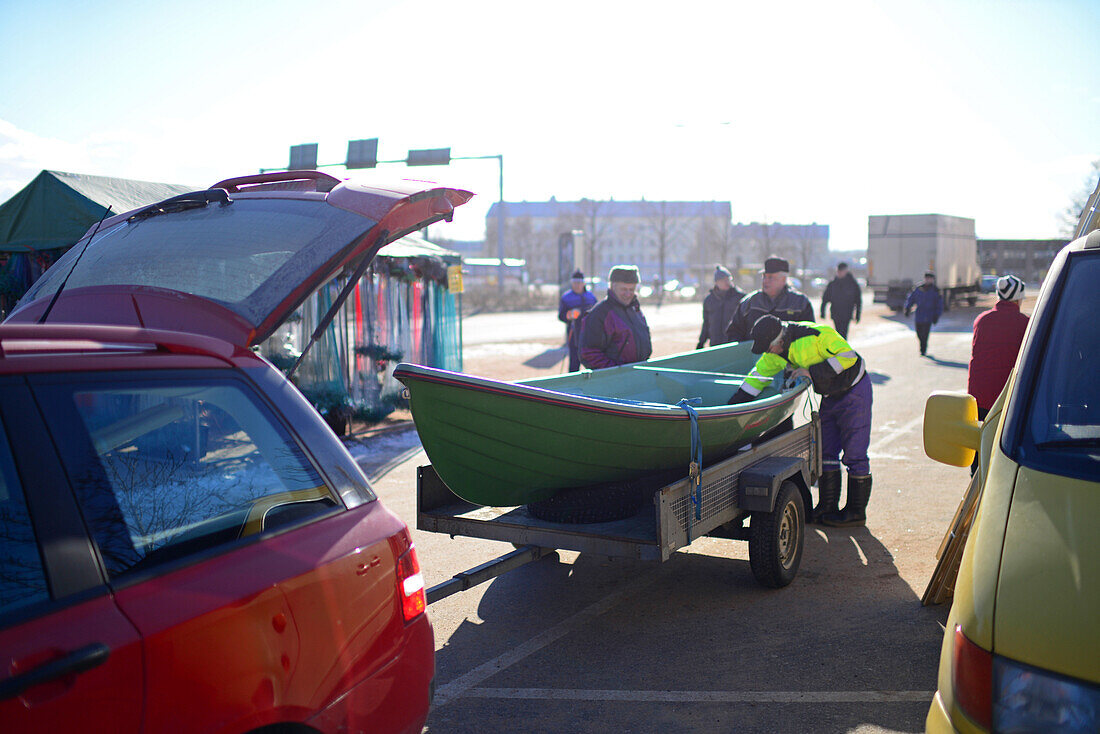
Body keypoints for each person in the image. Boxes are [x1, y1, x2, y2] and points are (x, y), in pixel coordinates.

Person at [729, 315, 873, 527]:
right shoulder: (776, 353)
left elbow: (848, 356)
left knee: (855, 453)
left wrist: (811, 372)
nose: (768, 353)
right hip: (830, 396)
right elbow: (755, 380)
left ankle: (856, 512)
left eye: (768, 348)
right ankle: (827, 506)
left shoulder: (815, 335)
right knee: (825, 450)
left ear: (778, 342)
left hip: (855, 391)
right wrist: (732, 410)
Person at [967, 274, 1029, 471]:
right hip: (1008, 398)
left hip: (979, 398)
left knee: (980, 447)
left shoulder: (981, 320)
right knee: (1003, 447)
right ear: (1018, 299)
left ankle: (977, 490)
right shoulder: (1025, 323)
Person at [725, 256, 814, 343]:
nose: (765, 281)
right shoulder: (749, 302)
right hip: (754, 357)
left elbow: (809, 336)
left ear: (783, 279)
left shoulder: (800, 303)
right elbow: (733, 332)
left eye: (770, 277)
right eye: (764, 276)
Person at [579, 265, 653, 369]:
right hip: (614, 379)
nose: (628, 294)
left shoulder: (635, 309)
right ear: (613, 287)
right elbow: (588, 353)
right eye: (624, 289)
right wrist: (614, 371)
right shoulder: (600, 314)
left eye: (631, 289)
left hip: (638, 372)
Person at [558, 269, 597, 372]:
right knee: (574, 363)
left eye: (579, 283)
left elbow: (597, 313)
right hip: (574, 334)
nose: (577, 285)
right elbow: (561, 316)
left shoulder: (591, 297)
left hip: (590, 335)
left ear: (583, 283)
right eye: (575, 283)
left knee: (592, 362)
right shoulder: (566, 297)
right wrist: (570, 314)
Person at [697, 265, 745, 349]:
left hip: (733, 344)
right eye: (723, 280)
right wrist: (701, 342)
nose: (726, 282)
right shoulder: (709, 300)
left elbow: (746, 322)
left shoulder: (740, 297)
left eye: (728, 279)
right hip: (715, 344)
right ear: (716, 282)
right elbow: (706, 323)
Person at [904, 271, 944, 356]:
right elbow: (911, 299)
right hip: (919, 315)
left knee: (925, 333)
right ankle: (922, 345)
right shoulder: (918, 288)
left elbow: (939, 304)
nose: (928, 280)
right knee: (919, 333)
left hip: (929, 315)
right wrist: (907, 308)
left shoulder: (935, 290)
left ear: (933, 280)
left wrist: (937, 315)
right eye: (927, 278)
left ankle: (923, 349)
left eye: (930, 279)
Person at [819, 261, 862, 339]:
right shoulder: (833, 284)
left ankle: (843, 349)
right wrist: (822, 312)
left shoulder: (852, 284)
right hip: (836, 313)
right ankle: (840, 349)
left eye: (842, 271)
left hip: (847, 313)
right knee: (838, 333)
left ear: (846, 271)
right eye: (839, 271)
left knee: (843, 333)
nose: (840, 273)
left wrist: (857, 315)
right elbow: (825, 299)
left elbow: (858, 301)